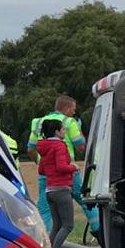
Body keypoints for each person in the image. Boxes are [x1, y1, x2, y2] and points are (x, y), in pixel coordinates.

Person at [27, 96, 85, 230]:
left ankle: (47, 238)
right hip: (68, 171)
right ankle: (98, 229)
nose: (74, 112)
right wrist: (79, 129)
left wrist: (40, 162)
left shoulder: (38, 122)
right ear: (67, 109)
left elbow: (30, 149)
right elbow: (81, 146)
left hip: (46, 173)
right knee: (85, 201)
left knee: (44, 207)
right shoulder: (70, 122)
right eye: (73, 109)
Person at [36, 118, 76, 248]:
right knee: (68, 225)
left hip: (50, 190)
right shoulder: (59, 145)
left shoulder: (44, 147)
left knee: (57, 225)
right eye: (63, 129)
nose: (65, 131)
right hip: (61, 189)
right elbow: (61, 167)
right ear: (57, 132)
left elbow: (41, 170)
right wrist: (74, 167)